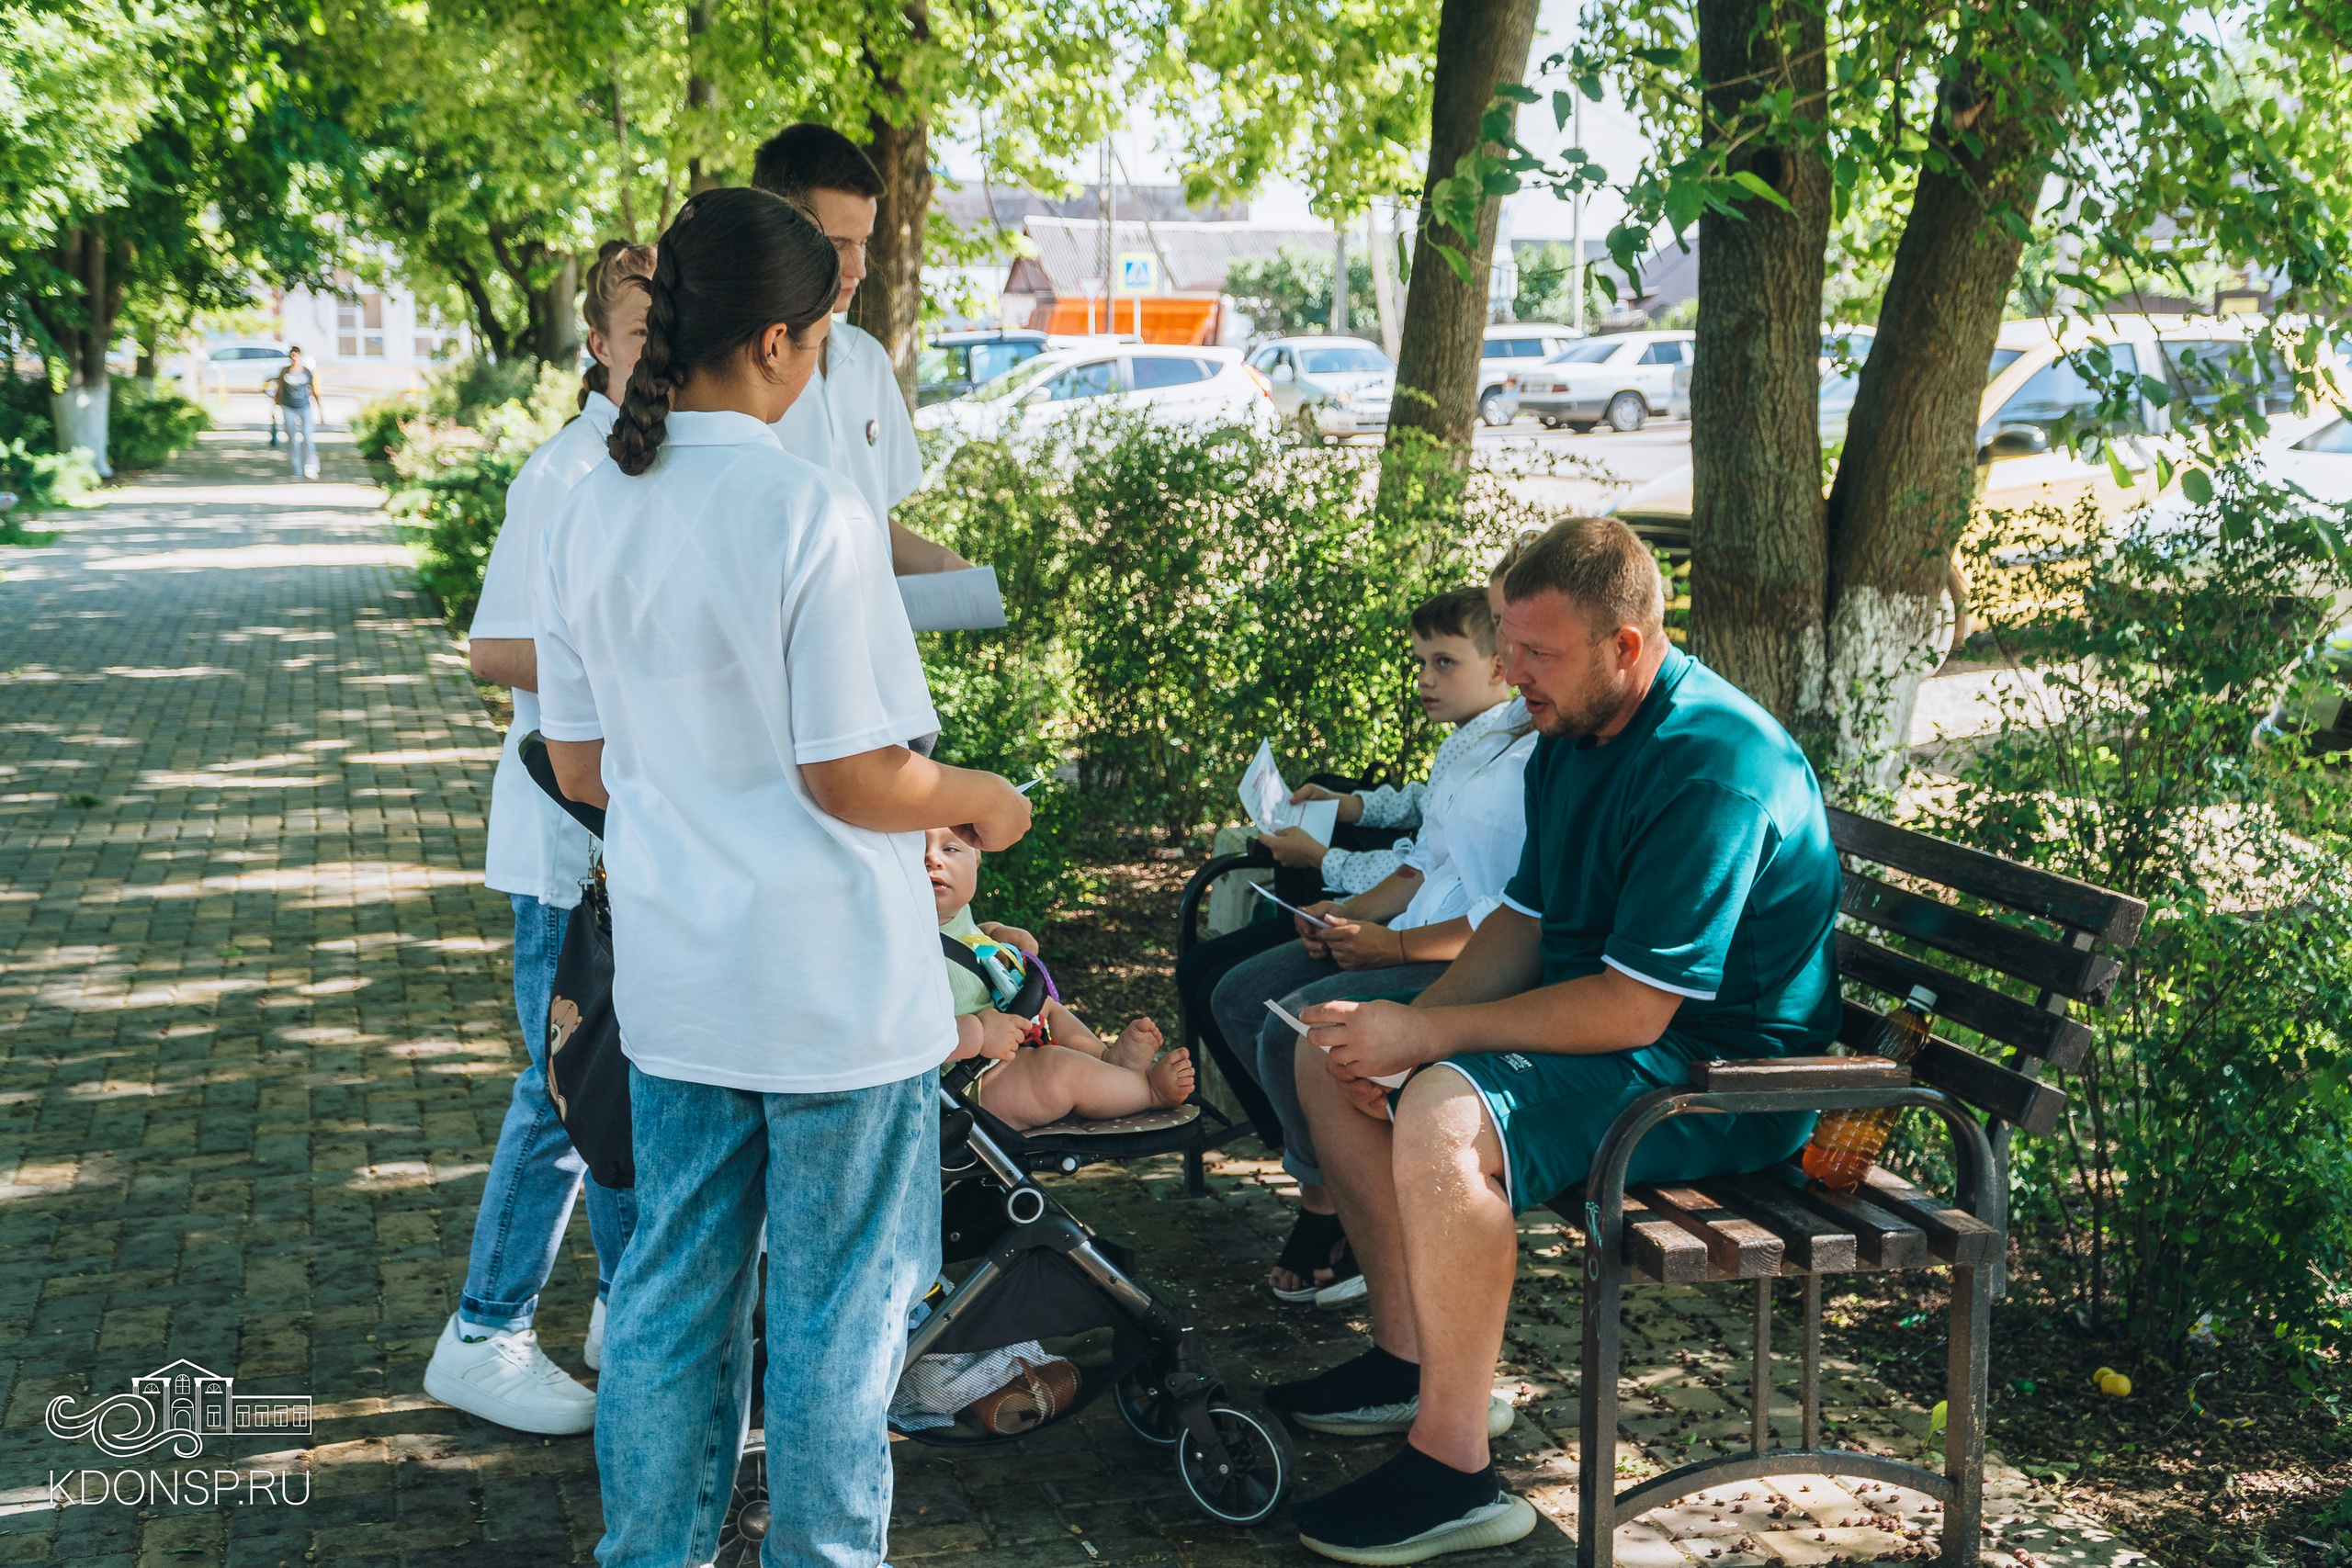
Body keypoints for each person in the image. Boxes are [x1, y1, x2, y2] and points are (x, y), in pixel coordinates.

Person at [534, 185, 1031, 1568]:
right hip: (831, 995)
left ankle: (653, 1550)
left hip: (684, 984)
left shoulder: (589, 510)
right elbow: (855, 775)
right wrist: (989, 799)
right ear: (772, 339)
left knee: (672, 1296)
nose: (821, 359)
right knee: (837, 1314)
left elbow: (580, 764)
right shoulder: (808, 509)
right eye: (821, 334)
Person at [1273, 517, 1843, 1563]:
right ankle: (1407, 1359)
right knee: (1335, 1048)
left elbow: (1634, 1008)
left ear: (1625, 645)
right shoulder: (1571, 732)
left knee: (1446, 1110)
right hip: (1627, 1039)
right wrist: (1398, 1028)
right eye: (1504, 641)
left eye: (1535, 650)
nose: (1509, 669)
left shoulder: (1711, 764)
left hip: (1721, 1082)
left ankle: (1453, 1474)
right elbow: (1528, 924)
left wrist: (1430, 1032)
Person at [420, 242, 655, 1436]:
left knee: (615, 1080)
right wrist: (635, 662)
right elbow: (493, 646)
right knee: (561, 1089)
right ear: (599, 346)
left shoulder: (655, 466)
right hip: (565, 845)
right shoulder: (562, 474)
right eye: (636, 322)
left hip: (638, 842)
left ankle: (627, 1309)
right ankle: (484, 1329)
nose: (658, 340)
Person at [1209, 586, 1536, 1305]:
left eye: (1443, 662)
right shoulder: (1474, 742)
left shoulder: (1532, 753)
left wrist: (1393, 943)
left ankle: (1349, 1216)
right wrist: (1345, 914)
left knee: (1292, 1026)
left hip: (1457, 953)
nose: (1424, 678)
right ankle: (1331, 1192)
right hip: (1411, 924)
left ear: (1501, 665)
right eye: (1420, 661)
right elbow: (1422, 859)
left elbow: (1505, 911)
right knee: (1237, 996)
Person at [749, 124, 968, 578]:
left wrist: (947, 568)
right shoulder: (731, 372)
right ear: (775, 231)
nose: (860, 268)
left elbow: (868, 524)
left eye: (864, 243)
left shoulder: (868, 359)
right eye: (837, 245)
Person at [927, 829, 1195, 1127]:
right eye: (914, 853)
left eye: (950, 849)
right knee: (1059, 1070)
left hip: (1014, 1035)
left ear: (976, 859)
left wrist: (996, 931)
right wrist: (976, 1033)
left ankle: (1106, 1060)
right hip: (970, 1082)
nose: (931, 860)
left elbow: (963, 934)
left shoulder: (957, 914)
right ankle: (1148, 1091)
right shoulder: (896, 945)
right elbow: (897, 1034)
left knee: (1048, 1007)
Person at [268, 347, 318, 479]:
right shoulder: (285, 372)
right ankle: (296, 467)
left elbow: (313, 390)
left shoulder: (306, 372)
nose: (294, 357)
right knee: (292, 438)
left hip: (304, 407)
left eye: (296, 355)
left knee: (307, 436)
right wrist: (275, 408)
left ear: (300, 355)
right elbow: (279, 391)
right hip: (288, 407)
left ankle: (310, 466)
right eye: (292, 355)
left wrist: (320, 409)